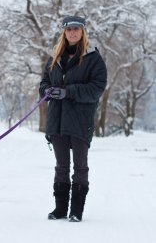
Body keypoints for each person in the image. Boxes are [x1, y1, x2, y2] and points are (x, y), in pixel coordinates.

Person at [39, 15, 107, 222]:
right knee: (61, 166)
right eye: (69, 30)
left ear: (83, 31)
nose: (73, 32)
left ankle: (76, 211)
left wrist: (69, 92)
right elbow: (43, 84)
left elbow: (96, 89)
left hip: (80, 120)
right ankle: (60, 209)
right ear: (64, 33)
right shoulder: (55, 58)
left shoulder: (93, 58)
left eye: (77, 29)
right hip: (57, 120)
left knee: (80, 166)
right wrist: (48, 91)